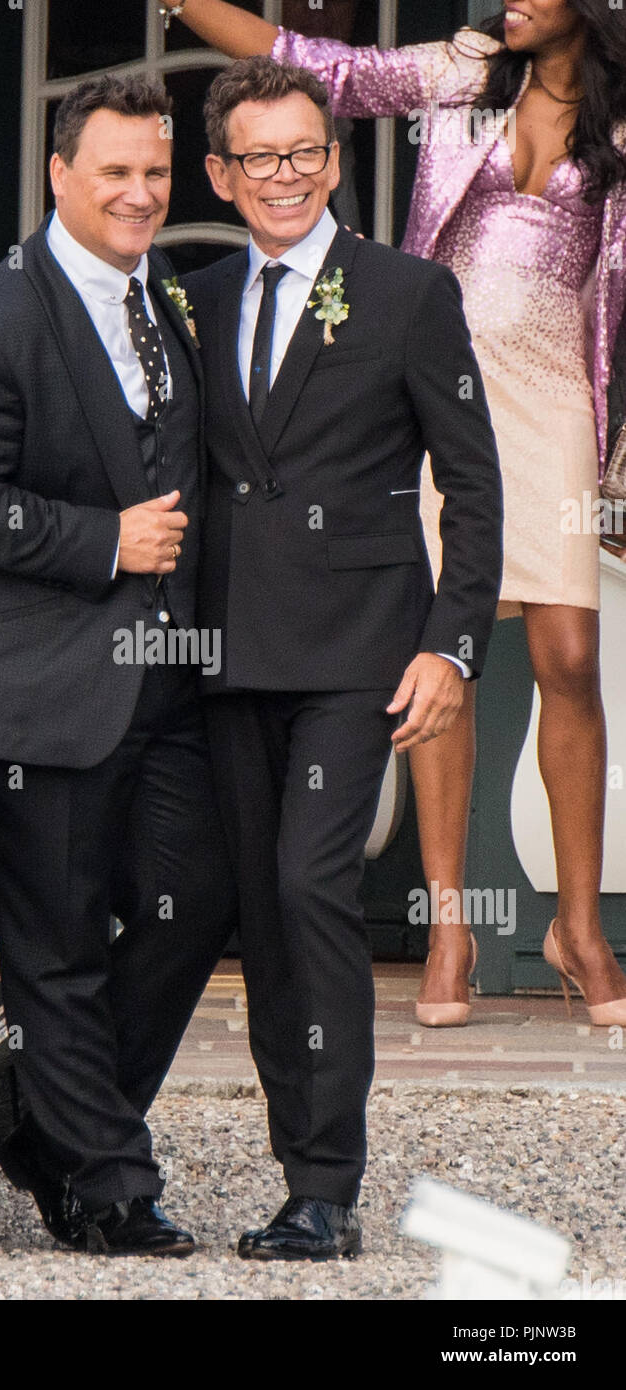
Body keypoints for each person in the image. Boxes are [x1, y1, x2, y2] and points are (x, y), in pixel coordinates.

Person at [160, 0, 626, 1029]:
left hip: (553, 397)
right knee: (439, 652)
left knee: (570, 660)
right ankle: (451, 924)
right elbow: (317, 62)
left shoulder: (620, 116)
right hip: (437, 382)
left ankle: (576, 927)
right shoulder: (460, 74)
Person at [183, 56, 502, 1260]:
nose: (284, 176)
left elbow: (473, 491)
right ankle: (284, 1163)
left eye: (305, 153)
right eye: (258, 157)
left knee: (314, 885)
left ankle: (327, 1184)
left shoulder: (411, 294)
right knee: (258, 913)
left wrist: (452, 650)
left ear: (333, 157)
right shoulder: (194, 299)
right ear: (221, 171)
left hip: (356, 658)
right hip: (221, 657)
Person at [0, 74, 234, 1256]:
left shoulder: (169, 303)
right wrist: (105, 541)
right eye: (115, 173)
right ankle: (105, 1191)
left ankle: (47, 1123)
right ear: (58, 176)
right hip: (33, 686)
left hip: (165, 677)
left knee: (198, 895)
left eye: (155, 173)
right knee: (54, 949)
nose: (140, 194)